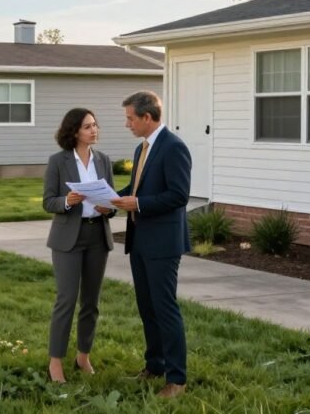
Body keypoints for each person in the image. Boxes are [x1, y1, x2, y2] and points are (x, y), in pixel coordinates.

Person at [110, 91, 192, 399]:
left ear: (147, 117)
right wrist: (110, 200)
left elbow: (178, 195)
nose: (127, 123)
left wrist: (139, 203)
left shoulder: (174, 148)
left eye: (130, 118)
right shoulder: (142, 147)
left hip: (163, 242)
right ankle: (154, 366)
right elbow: (135, 188)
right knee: (147, 307)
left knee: (164, 308)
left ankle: (177, 379)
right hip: (139, 239)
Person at [43, 108, 116, 384]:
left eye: (95, 125)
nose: (94, 130)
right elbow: (48, 201)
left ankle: (83, 356)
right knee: (66, 300)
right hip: (67, 239)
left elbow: (114, 202)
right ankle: (55, 362)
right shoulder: (58, 161)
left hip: (98, 236)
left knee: (91, 302)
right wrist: (67, 202)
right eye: (88, 126)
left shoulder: (104, 160)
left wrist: (108, 208)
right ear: (74, 131)